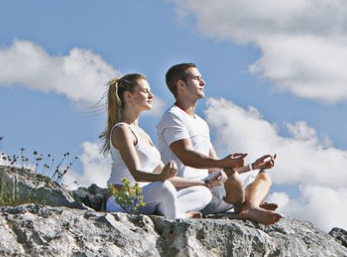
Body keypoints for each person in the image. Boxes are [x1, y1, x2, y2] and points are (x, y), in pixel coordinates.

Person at [156, 63, 282, 225]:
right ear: (181, 84)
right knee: (229, 173)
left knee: (262, 174)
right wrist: (225, 163)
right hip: (190, 193)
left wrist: (252, 166)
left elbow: (215, 169)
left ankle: (250, 206)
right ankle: (245, 202)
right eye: (196, 78)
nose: (203, 82)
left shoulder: (201, 123)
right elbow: (186, 155)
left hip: (213, 189)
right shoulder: (173, 116)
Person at [101, 73, 215, 218]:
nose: (151, 95)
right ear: (129, 96)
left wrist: (202, 183)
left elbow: (167, 177)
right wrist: (162, 177)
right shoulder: (122, 130)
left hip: (146, 198)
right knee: (164, 187)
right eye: (145, 91)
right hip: (122, 201)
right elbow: (137, 174)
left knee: (203, 193)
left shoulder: (143, 134)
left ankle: (168, 211)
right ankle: (179, 217)